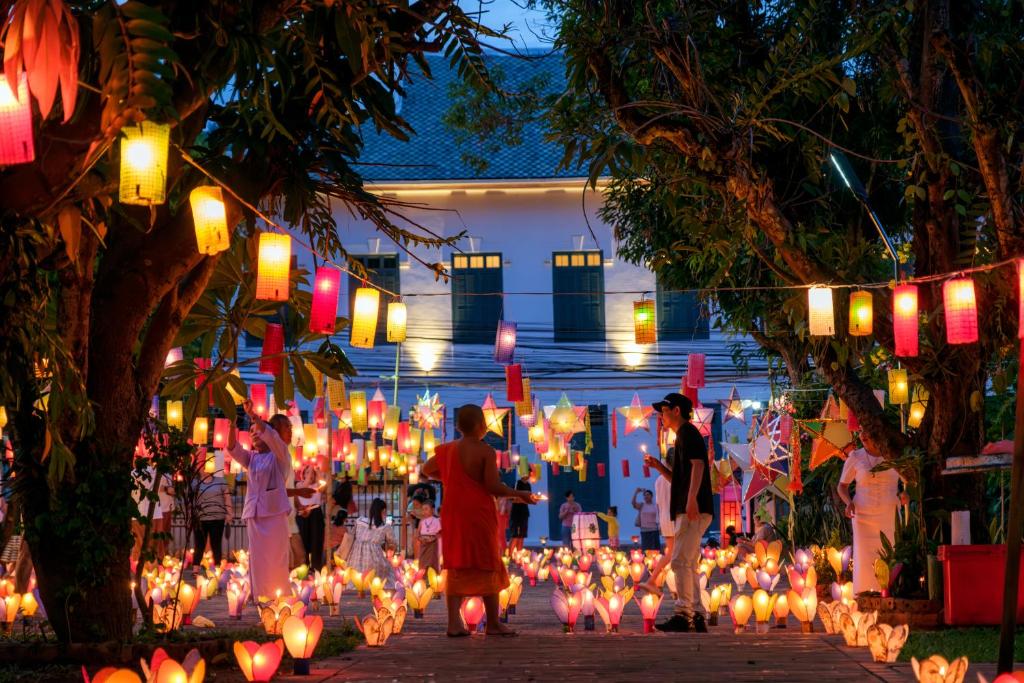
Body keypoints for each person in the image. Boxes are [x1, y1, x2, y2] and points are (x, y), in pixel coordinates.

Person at [421, 404, 538, 637]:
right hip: (477, 511)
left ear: (458, 426)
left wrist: (450, 478)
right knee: (487, 559)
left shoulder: (448, 449)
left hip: (453, 512)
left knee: (456, 561)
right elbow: (492, 486)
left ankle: (453, 623)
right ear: (480, 426)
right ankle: (493, 623)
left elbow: (426, 469)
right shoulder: (485, 451)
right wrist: (521, 494)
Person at [644, 393, 714, 633]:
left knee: (679, 560)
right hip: (689, 505)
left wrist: (692, 499)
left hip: (691, 507)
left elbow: (698, 465)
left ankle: (683, 614)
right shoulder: (682, 436)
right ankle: (697, 615)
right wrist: (659, 466)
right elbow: (678, 479)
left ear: (675, 411)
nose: (660, 416)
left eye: (663, 411)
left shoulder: (687, 432)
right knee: (689, 562)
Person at [227, 401, 293, 599]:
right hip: (254, 514)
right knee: (258, 563)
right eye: (251, 432)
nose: (254, 434)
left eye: (258, 431)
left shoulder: (280, 455)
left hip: (273, 514)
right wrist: (232, 424)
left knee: (276, 561)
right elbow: (232, 448)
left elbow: (272, 436)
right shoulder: (252, 458)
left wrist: (253, 415)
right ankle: (262, 601)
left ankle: (279, 600)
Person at [837, 433, 905, 594]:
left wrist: (905, 494)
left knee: (891, 553)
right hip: (863, 516)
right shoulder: (856, 457)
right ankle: (864, 594)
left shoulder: (893, 455)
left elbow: (910, 479)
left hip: (890, 514)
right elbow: (842, 486)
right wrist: (849, 503)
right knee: (864, 558)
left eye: (867, 431)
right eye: (860, 431)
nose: (863, 435)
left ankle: (891, 592)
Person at [639, 466, 676, 595]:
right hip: (675, 517)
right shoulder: (674, 477)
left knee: (671, 553)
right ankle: (653, 580)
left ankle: (653, 579)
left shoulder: (658, 480)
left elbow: (659, 504)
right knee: (676, 553)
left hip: (664, 518)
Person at [348, 498, 396, 583]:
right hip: (374, 560)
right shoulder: (385, 527)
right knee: (389, 573)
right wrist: (389, 555)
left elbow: (352, 535)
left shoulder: (359, 521)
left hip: (355, 559)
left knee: (356, 580)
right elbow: (392, 543)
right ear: (383, 511)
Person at [192, 471, 233, 570]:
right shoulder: (194, 482)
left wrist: (229, 513)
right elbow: (191, 499)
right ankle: (195, 570)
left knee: (216, 544)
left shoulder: (220, 481)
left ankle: (217, 569)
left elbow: (227, 497)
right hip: (200, 518)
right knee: (199, 545)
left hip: (217, 518)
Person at [296, 464, 326, 569]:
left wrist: (317, 472)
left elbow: (323, 486)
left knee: (316, 541)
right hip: (303, 514)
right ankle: (304, 567)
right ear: (303, 474)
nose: (310, 475)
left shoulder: (317, 485)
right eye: (307, 472)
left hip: (315, 513)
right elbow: (304, 487)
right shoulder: (299, 485)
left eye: (312, 473)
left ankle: (316, 568)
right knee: (303, 542)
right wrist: (309, 476)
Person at [508, 474, 532, 554]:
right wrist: (521, 499)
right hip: (516, 512)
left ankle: (518, 557)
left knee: (522, 536)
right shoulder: (517, 483)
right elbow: (512, 498)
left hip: (524, 512)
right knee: (515, 536)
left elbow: (530, 498)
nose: (528, 475)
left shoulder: (528, 485)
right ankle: (509, 557)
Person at [632, 488, 661, 552]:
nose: (646, 496)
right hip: (644, 531)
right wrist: (636, 492)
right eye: (644, 495)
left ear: (652, 496)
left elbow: (659, 517)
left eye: (648, 495)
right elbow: (633, 503)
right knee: (646, 550)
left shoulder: (656, 505)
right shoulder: (642, 505)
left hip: (654, 531)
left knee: (655, 550)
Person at [417, 502, 441, 573]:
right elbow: (418, 533)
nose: (424, 511)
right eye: (423, 509)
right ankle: (423, 575)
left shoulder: (436, 520)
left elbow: (439, 533)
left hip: (432, 544)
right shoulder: (422, 521)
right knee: (422, 560)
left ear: (432, 510)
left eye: (426, 509)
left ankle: (432, 575)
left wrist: (433, 538)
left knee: (432, 560)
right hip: (423, 544)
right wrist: (420, 538)